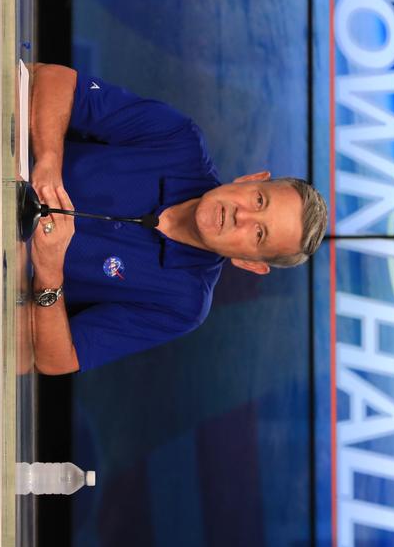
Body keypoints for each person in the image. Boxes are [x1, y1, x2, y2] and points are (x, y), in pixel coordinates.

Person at [28, 64, 328, 374]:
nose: (242, 215)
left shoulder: (184, 305)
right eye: (259, 200)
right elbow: (56, 81)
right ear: (250, 179)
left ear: (249, 263)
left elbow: (57, 360)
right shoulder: (179, 140)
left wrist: (48, 272)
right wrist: (49, 159)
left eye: (259, 234)